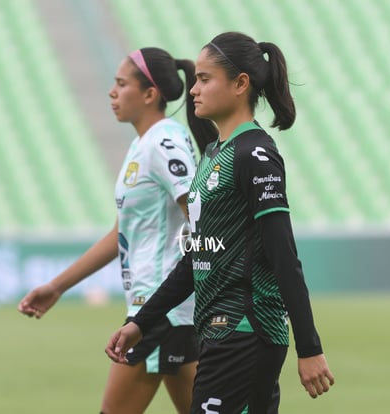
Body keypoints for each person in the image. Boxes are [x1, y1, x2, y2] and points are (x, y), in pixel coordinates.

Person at [105, 32, 335, 414]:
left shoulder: (255, 154)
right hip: (216, 333)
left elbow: (284, 256)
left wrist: (309, 348)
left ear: (240, 84)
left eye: (205, 79)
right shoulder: (213, 154)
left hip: (246, 331)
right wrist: (141, 322)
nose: (193, 89)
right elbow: (196, 257)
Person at [18, 47, 218, 414]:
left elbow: (200, 214)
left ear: (149, 94)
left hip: (160, 311)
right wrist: (57, 286)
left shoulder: (163, 141)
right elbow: (120, 233)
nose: (112, 92)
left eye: (121, 83)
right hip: (167, 311)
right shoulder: (143, 143)